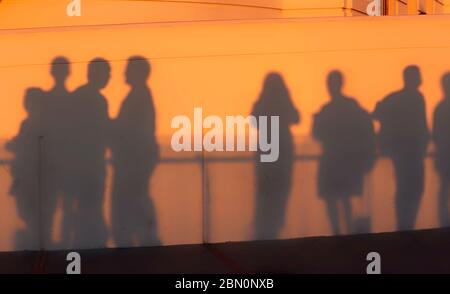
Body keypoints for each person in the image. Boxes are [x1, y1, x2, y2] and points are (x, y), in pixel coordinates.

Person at [313, 70, 375, 235]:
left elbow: (317, 134)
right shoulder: (351, 106)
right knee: (343, 197)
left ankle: (338, 232)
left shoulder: (327, 109)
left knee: (333, 198)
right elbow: (366, 127)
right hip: (346, 160)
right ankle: (345, 232)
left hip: (333, 160)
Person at [111, 56, 160, 247]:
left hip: (134, 161)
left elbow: (130, 129)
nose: (124, 73)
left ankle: (139, 240)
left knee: (132, 199)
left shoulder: (138, 97)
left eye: (128, 69)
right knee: (139, 198)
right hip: (139, 158)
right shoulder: (141, 96)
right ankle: (145, 237)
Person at [373, 65, 429, 231]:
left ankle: (404, 225)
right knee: (413, 188)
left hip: (402, 152)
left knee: (405, 188)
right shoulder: (417, 98)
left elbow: (376, 113)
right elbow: (422, 125)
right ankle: (407, 225)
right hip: (413, 151)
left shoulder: (395, 98)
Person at [251, 72, 300, 240]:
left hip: (266, 153)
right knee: (280, 192)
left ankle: (265, 227)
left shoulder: (262, 103)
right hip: (283, 153)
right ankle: (276, 225)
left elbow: (253, 120)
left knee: (265, 192)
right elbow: (296, 117)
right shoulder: (284, 102)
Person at [432, 72, 450, 227]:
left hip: (443, 156)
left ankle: (443, 222)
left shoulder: (440, 108)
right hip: (444, 156)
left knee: (443, 189)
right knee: (443, 189)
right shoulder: (441, 108)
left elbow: (436, 135)